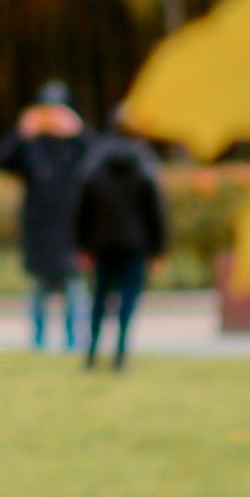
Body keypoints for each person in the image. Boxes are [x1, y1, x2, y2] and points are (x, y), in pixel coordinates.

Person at [0, 82, 91, 351]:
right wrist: (21, 133)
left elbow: (98, 158)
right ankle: (38, 344)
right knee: (38, 291)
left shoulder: (77, 146)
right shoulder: (32, 145)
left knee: (74, 289)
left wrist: (79, 132)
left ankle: (74, 344)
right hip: (38, 231)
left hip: (71, 230)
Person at [74, 112, 168, 371]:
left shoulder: (95, 160)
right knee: (128, 300)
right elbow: (155, 211)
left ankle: (91, 354)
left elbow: (83, 207)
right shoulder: (145, 161)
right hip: (134, 244)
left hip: (102, 244)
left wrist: (83, 246)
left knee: (99, 299)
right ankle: (121, 354)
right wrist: (158, 250)